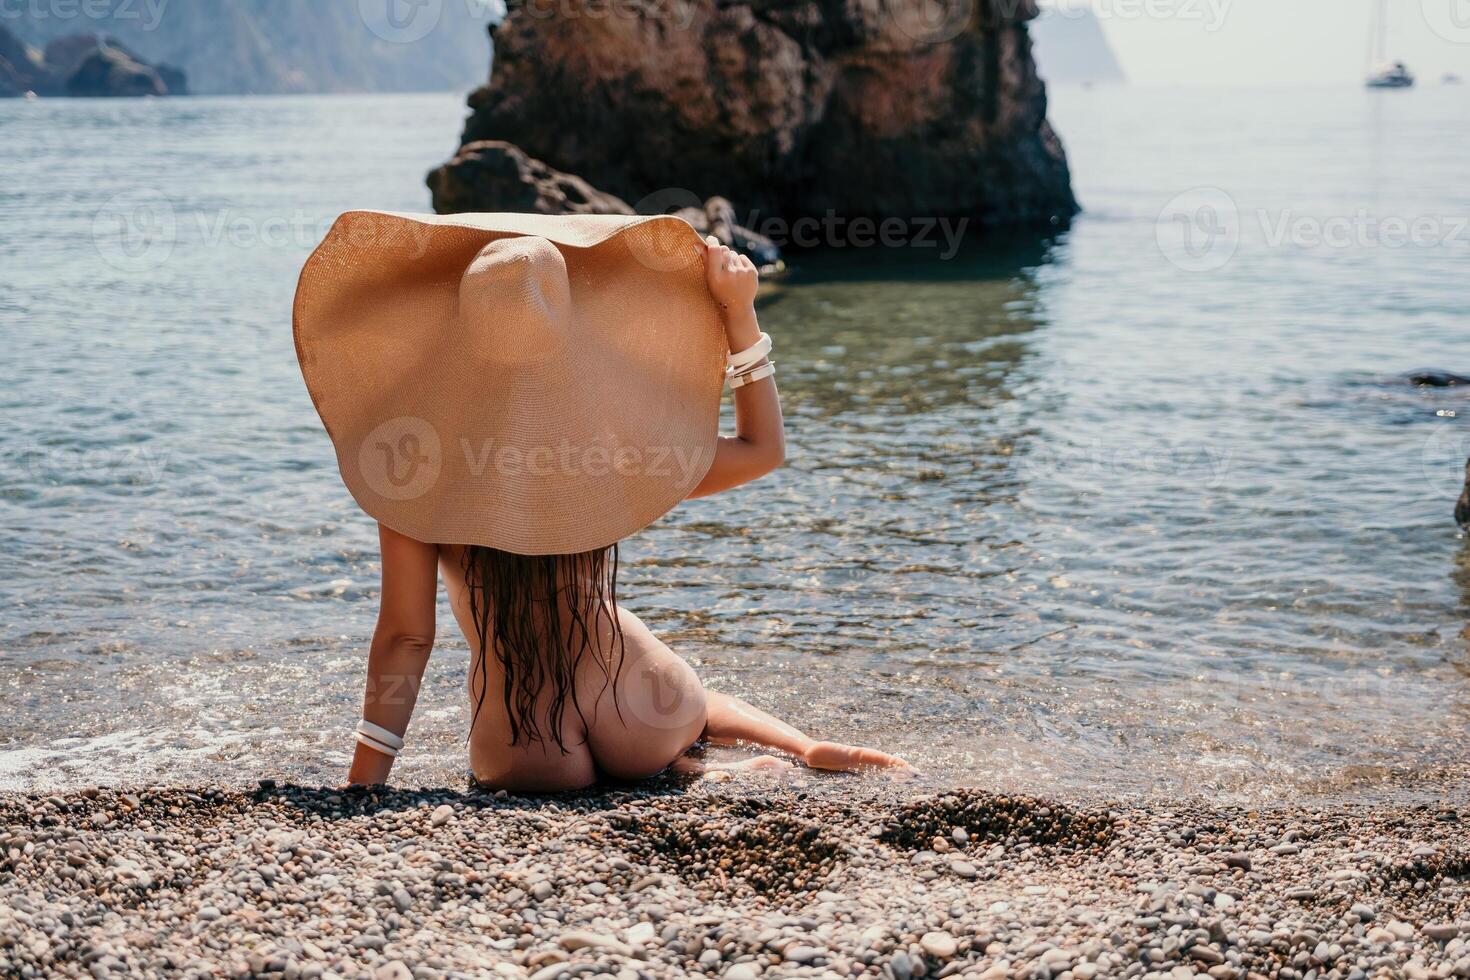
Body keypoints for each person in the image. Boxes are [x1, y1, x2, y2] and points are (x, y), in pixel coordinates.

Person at [293, 211, 913, 790]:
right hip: (646, 707)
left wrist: (365, 783)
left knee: (572, 747)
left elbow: (407, 639)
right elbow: (761, 449)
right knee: (697, 711)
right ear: (571, 335)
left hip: (526, 744)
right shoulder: (609, 452)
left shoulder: (418, 472)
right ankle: (790, 750)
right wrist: (739, 318)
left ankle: (698, 772)